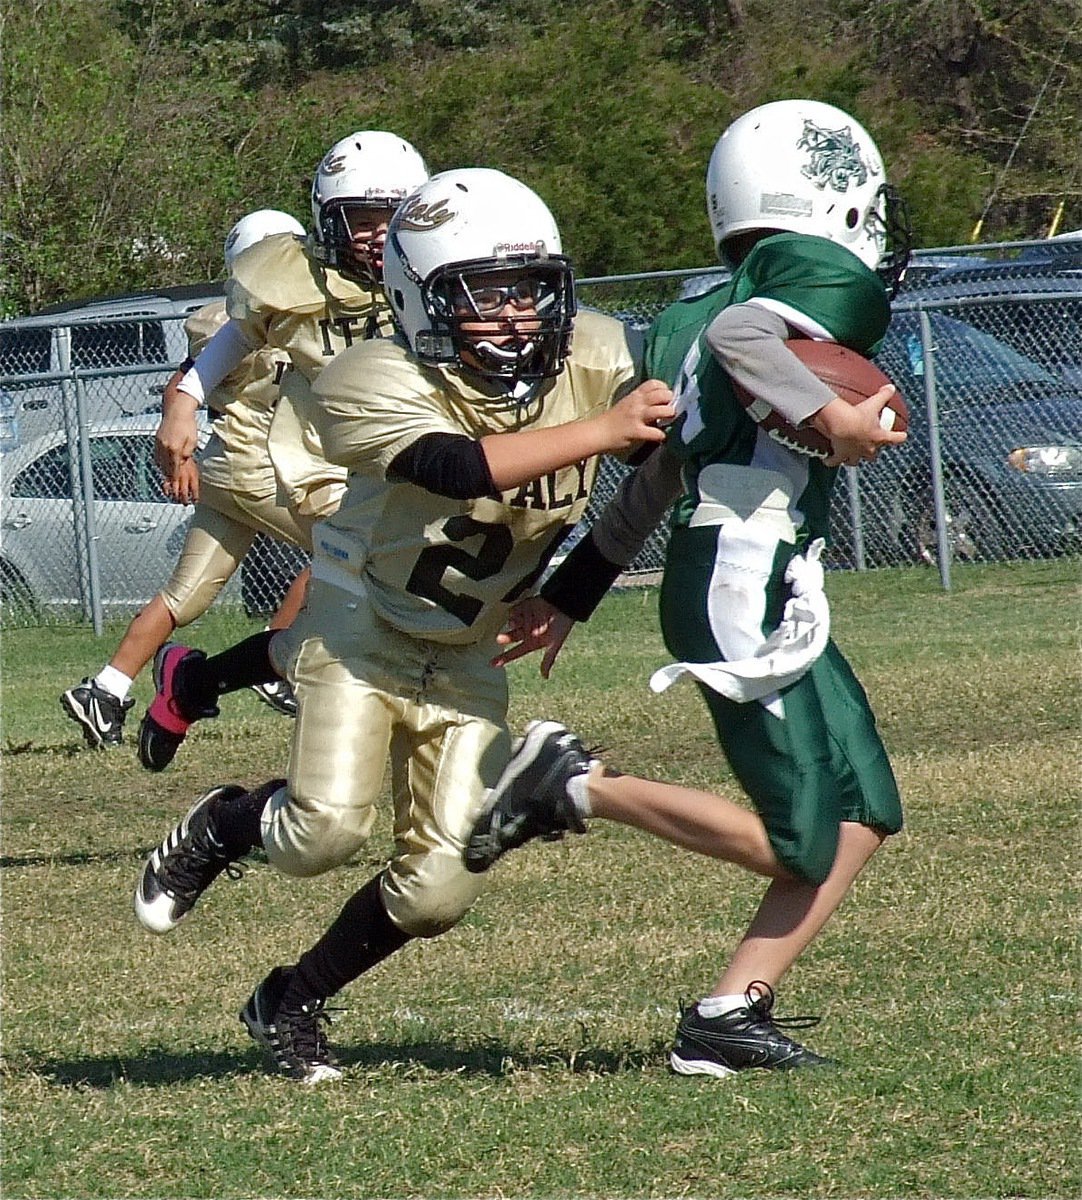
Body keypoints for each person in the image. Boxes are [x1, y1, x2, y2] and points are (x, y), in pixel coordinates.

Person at [131, 167, 677, 1084]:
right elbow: (457, 465)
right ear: (422, 301)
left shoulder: (596, 361)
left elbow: (659, 474)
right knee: (323, 837)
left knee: (438, 890)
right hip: (363, 626)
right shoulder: (369, 372)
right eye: (486, 298)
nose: (516, 318)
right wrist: (604, 432)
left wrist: (570, 594)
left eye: (532, 292)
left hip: (468, 648)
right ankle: (227, 822)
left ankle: (290, 998)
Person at [465, 99, 914, 1080]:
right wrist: (826, 412)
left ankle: (727, 1012)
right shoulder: (792, 287)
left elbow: (654, 479)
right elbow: (752, 336)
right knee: (798, 839)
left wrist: (570, 591)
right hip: (741, 580)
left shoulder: (694, 311)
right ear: (832, 199)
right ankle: (571, 785)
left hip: (758, 573)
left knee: (863, 807)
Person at [130, 130, 430, 770]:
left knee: (372, 614)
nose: (380, 235)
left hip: (407, 451)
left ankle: (196, 683)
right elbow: (234, 339)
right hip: (328, 463)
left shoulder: (437, 271)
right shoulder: (297, 279)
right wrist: (183, 402)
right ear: (329, 221)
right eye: (364, 220)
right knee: (368, 613)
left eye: (394, 217)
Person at [60, 207, 308, 749]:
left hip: (226, 473)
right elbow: (183, 388)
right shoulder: (245, 320)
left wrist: (182, 457)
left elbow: (181, 389)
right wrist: (176, 452)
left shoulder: (256, 318)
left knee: (182, 597)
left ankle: (105, 688)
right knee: (353, 545)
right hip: (258, 467)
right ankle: (276, 656)